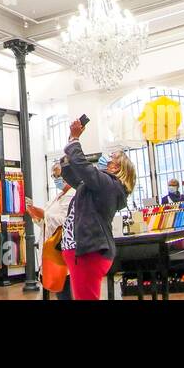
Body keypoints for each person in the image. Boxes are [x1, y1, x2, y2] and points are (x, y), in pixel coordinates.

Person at [58, 117, 136, 300]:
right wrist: (70, 143)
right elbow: (75, 175)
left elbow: (84, 168)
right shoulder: (101, 186)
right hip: (83, 251)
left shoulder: (108, 184)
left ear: (117, 167)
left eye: (112, 157)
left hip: (89, 253)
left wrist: (75, 140)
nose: (106, 158)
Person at [25, 160, 74, 301]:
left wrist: (44, 215)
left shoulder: (72, 195)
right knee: (58, 286)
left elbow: (65, 221)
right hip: (52, 248)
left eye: (57, 175)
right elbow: (47, 221)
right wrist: (36, 215)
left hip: (64, 248)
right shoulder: (58, 196)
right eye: (53, 176)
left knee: (65, 287)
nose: (56, 180)